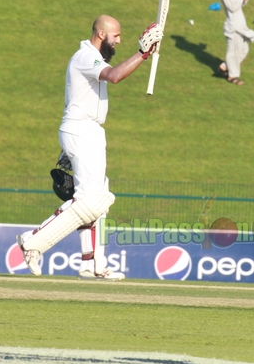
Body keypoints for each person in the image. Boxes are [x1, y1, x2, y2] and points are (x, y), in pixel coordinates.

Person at [16, 16, 164, 279]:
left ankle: (91, 265)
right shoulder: (86, 56)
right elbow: (114, 76)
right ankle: (32, 241)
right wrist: (142, 54)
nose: (118, 40)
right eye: (115, 36)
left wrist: (145, 54)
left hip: (91, 131)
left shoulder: (93, 57)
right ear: (100, 33)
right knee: (88, 200)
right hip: (80, 129)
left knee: (97, 200)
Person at [218, 0, 254, 86]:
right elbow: (233, 7)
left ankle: (225, 66)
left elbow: (239, 5)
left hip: (239, 25)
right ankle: (232, 76)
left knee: (244, 49)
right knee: (233, 52)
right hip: (233, 27)